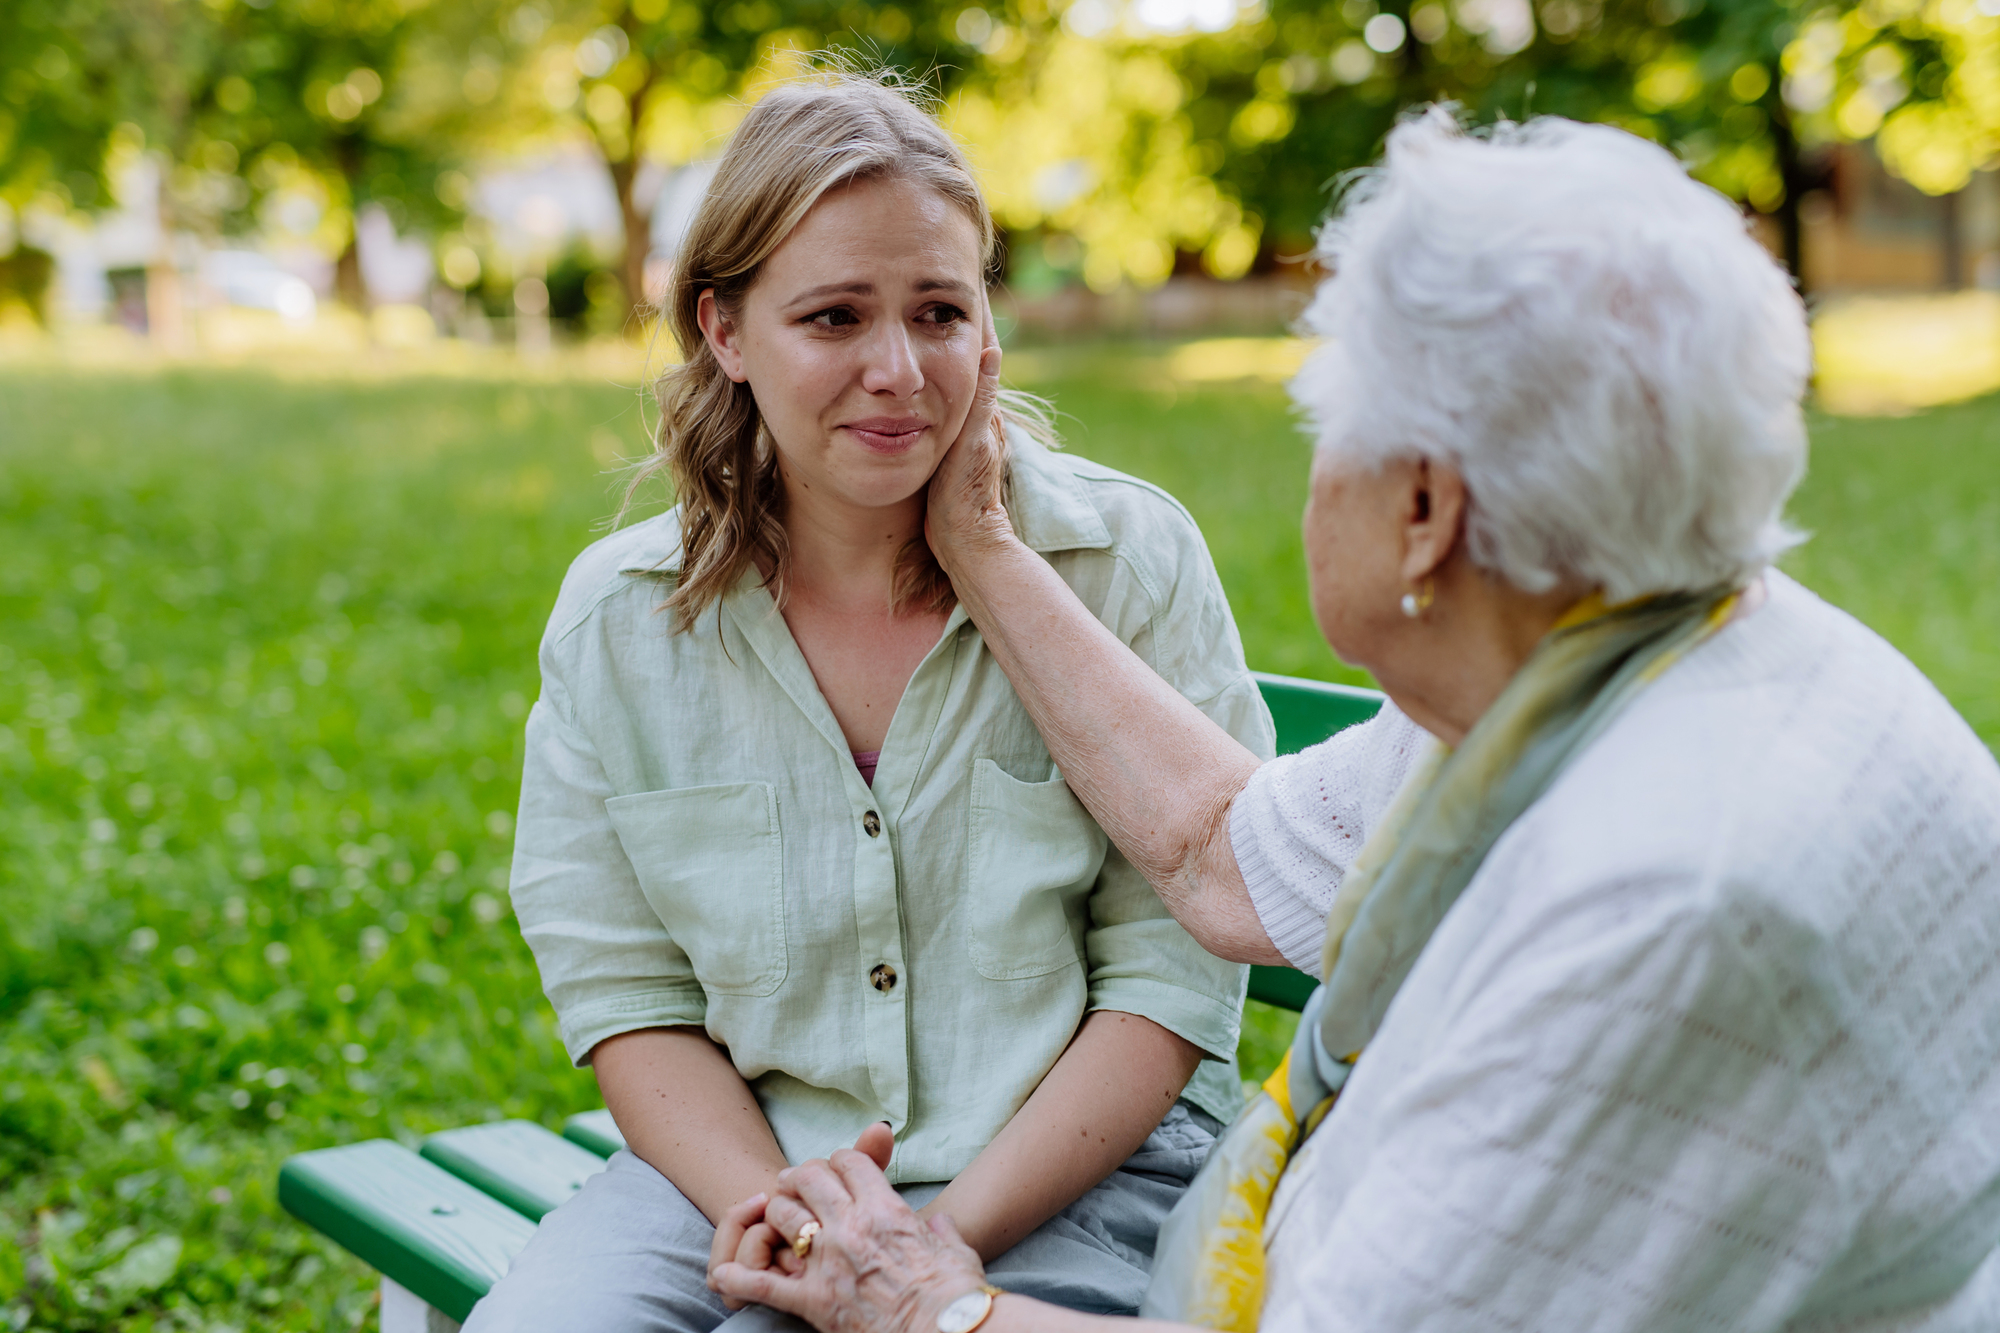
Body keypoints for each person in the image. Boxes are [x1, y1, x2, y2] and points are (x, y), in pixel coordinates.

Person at [708, 110, 2000, 1333]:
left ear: (1425, 514)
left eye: (1331, 433)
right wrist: (981, 543)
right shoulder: (1619, 653)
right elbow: (1227, 858)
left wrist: (927, 1299)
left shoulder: (1670, 900)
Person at [463, 71, 1276, 1333]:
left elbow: (1168, 983)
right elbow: (629, 996)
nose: (897, 370)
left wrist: (921, 1249)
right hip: (732, 1170)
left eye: (939, 312)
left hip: (1071, 1170)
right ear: (724, 330)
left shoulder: (1123, 568)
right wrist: (792, 1222)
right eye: (834, 316)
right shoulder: (621, 618)